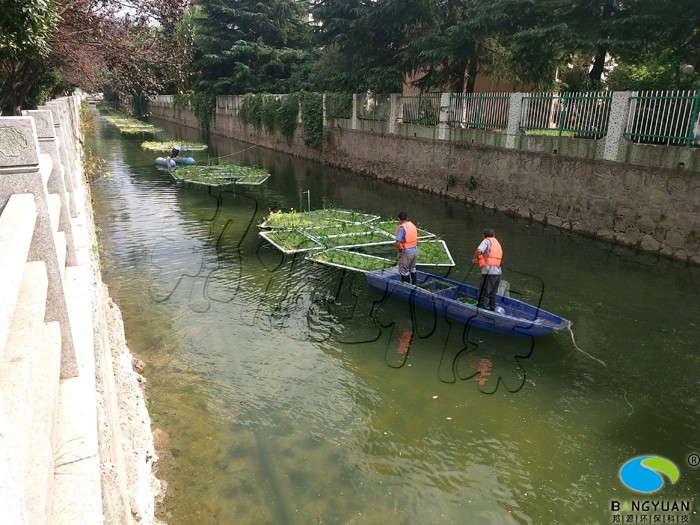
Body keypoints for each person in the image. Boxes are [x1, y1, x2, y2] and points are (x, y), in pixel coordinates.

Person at [471, 228, 503, 310]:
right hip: (497, 273)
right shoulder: (497, 243)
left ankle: (484, 310)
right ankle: (492, 309)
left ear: (483, 236)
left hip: (488, 272)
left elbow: (479, 250)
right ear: (494, 235)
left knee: (485, 293)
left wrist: (474, 258)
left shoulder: (486, 241)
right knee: (493, 293)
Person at [395, 211, 418, 284]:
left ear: (399, 219)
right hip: (415, 250)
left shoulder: (402, 228)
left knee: (404, 270)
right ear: (407, 218)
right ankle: (414, 284)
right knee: (412, 268)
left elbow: (398, 242)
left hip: (406, 252)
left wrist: (398, 251)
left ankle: (406, 287)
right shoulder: (412, 225)